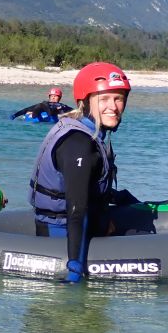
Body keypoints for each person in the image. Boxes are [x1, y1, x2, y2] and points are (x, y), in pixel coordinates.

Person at [27, 62, 140, 283]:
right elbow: (77, 212)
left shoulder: (81, 128)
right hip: (61, 235)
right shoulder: (79, 144)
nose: (113, 107)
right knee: (145, 236)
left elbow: (87, 187)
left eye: (119, 98)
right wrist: (74, 271)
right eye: (104, 99)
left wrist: (122, 198)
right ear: (86, 101)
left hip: (77, 223)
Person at [9, 87, 73, 122]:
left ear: (59, 98)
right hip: (38, 114)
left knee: (62, 107)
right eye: (52, 96)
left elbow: (72, 110)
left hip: (56, 114)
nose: (53, 97)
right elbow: (27, 109)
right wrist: (15, 115)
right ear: (49, 97)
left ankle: (50, 115)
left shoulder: (62, 105)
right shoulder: (43, 104)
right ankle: (49, 115)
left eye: (55, 96)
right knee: (42, 104)